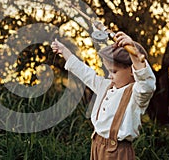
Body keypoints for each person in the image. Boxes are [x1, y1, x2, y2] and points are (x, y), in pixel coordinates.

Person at [51, 31, 156, 160]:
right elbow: (84, 73)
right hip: (96, 146)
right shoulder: (105, 86)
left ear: (132, 71)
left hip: (118, 152)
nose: (109, 76)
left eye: (114, 71)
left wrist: (134, 52)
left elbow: (147, 84)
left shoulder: (136, 95)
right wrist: (64, 51)